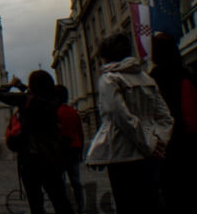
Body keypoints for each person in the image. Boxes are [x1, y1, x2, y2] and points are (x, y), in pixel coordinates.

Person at [86, 32, 173, 214]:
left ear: (106, 56)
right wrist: (158, 140)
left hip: (123, 155)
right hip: (149, 156)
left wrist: (147, 144)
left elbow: (120, 117)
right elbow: (165, 118)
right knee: (151, 203)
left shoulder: (109, 79)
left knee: (128, 205)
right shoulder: (146, 78)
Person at [0, 70, 74, 214]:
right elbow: (35, 94)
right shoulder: (54, 99)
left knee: (36, 203)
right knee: (59, 199)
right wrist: (22, 86)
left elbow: (0, 95)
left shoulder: (26, 100)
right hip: (52, 156)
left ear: (32, 86)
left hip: (30, 157)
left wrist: (10, 85)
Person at [149, 32, 197, 213]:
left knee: (172, 195)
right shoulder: (187, 74)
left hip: (167, 144)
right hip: (189, 141)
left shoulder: (152, 79)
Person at [54, 84, 85, 214]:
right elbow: (80, 132)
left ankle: (65, 207)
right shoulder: (74, 112)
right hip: (75, 149)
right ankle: (80, 206)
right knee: (76, 181)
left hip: (61, 150)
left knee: (60, 182)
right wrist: (81, 151)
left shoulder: (55, 112)